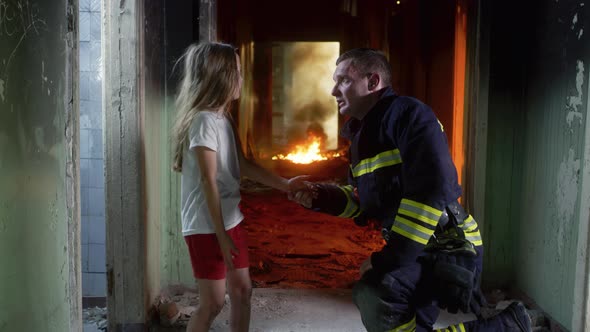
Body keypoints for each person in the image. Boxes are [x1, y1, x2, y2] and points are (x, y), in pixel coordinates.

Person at [290, 48, 532, 332]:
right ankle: (511, 325)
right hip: (416, 251)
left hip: (448, 246)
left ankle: (507, 327)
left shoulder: (409, 115)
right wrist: (320, 196)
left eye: (343, 80)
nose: (333, 91)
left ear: (372, 82)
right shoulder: (362, 137)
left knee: (377, 294)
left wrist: (387, 260)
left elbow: (431, 191)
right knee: (386, 308)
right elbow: (362, 201)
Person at [171, 41, 308, 332]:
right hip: (207, 226)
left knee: (243, 292)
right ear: (220, 76)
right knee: (213, 303)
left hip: (230, 218)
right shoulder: (204, 122)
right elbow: (208, 181)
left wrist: (286, 184)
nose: (242, 78)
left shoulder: (223, 119)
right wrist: (221, 236)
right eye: (237, 71)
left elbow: (242, 165)